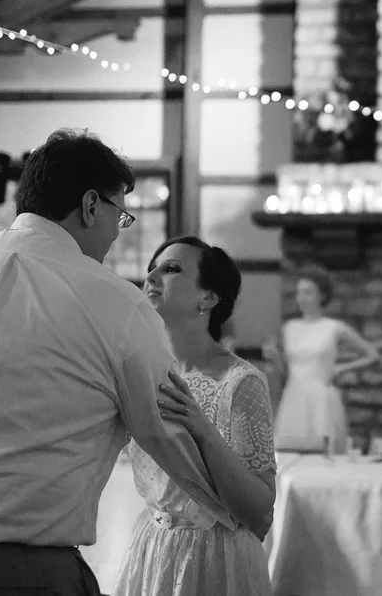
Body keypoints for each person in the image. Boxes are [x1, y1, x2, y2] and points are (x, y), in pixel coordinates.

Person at [0, 128, 225, 594]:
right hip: (6, 572)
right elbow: (171, 440)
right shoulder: (115, 303)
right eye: (120, 216)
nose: (115, 233)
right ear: (91, 205)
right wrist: (244, 502)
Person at [114, 236, 275, 595]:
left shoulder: (240, 382)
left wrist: (204, 431)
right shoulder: (140, 372)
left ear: (208, 297)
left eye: (171, 269)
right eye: (152, 268)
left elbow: (259, 510)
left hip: (218, 559)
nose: (151, 276)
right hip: (153, 549)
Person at [267, 264, 379, 443]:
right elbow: (286, 373)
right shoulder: (289, 328)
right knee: (290, 447)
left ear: (322, 295)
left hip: (322, 398)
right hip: (294, 397)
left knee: (322, 447)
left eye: (308, 292)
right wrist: (275, 358)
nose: (301, 298)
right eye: (299, 293)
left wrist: (341, 368)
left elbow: (372, 354)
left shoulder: (334, 328)